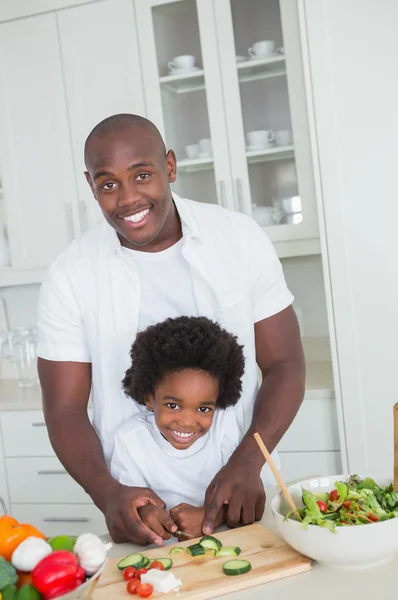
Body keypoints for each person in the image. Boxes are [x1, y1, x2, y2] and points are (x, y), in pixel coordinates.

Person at [37, 113, 305, 547]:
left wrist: (248, 463)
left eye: (142, 175)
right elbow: (64, 410)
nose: (127, 199)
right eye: (108, 184)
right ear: (91, 187)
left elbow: (285, 363)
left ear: (171, 167)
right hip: (139, 513)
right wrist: (107, 493)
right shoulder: (71, 274)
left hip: (245, 494)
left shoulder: (237, 238)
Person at [110, 315, 279, 542]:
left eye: (203, 409)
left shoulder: (225, 428)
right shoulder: (130, 441)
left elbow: (251, 498)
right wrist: (146, 515)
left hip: (231, 542)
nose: (188, 421)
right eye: (173, 405)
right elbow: (130, 506)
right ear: (149, 398)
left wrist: (210, 519)